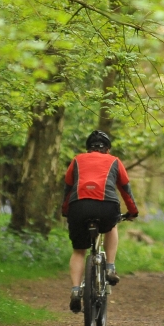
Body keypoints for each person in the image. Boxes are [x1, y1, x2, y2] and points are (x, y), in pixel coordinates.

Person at [61, 130, 139, 313]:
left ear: (88, 148)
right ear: (108, 148)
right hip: (107, 207)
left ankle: (75, 290)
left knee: (79, 250)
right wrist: (133, 212)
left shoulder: (77, 160)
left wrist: (66, 211)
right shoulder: (115, 161)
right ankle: (110, 267)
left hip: (78, 207)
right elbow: (125, 189)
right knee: (111, 225)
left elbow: (68, 188)